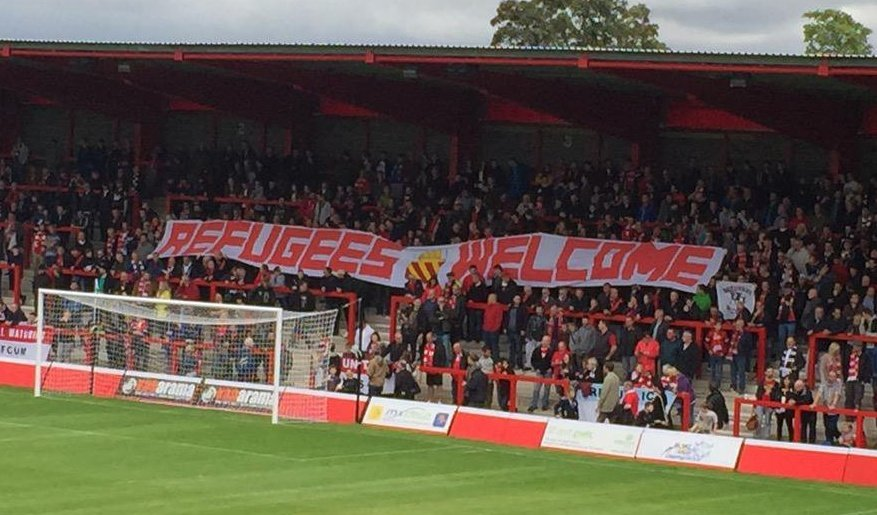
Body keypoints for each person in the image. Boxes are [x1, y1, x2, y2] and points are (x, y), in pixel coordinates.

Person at [814, 369, 843, 444]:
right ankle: (829, 441)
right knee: (826, 426)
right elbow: (819, 394)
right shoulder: (824, 383)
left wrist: (833, 405)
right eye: (830, 376)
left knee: (832, 426)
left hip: (835, 410)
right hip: (826, 408)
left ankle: (835, 438)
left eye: (833, 376)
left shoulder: (838, 383)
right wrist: (814, 403)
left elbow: (837, 394)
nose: (832, 378)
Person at [842, 342, 872, 412]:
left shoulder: (865, 357)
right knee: (848, 398)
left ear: (860, 347)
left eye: (857, 346)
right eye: (854, 346)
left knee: (857, 399)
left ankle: (856, 417)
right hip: (849, 379)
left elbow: (868, 368)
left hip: (859, 380)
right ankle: (848, 416)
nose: (855, 348)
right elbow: (845, 366)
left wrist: (864, 380)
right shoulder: (849, 355)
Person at [418, 332, 446, 403]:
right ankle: (430, 399)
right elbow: (422, 354)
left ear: (433, 338)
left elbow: (443, 357)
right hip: (428, 368)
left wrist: (441, 367)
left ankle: (439, 400)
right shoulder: (426, 345)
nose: (428, 340)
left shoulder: (440, 346)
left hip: (437, 367)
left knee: (439, 385)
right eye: (427, 338)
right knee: (430, 384)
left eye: (429, 338)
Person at [528, 336, 553, 412]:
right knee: (536, 389)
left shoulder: (552, 351)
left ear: (549, 342)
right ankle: (533, 404)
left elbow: (553, 360)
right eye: (543, 341)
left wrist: (551, 369)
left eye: (547, 341)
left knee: (547, 389)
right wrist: (536, 368)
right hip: (539, 372)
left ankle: (545, 404)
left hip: (548, 372)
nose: (545, 342)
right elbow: (533, 360)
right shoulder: (537, 350)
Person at [728, 318, 753, 394]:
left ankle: (741, 388)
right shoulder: (733, 333)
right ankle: (734, 386)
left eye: (739, 325)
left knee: (741, 372)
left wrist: (742, 350)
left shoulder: (746, 334)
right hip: (732, 354)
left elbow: (749, 345)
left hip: (741, 355)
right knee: (733, 372)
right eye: (737, 324)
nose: (737, 326)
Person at [754, 368, 779, 439]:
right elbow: (757, 393)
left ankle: (766, 436)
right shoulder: (761, 382)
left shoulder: (776, 384)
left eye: (771, 371)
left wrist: (771, 392)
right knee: (759, 419)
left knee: (768, 421)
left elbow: (777, 395)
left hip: (770, 404)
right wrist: (764, 393)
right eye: (768, 371)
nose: (769, 373)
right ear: (765, 373)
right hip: (761, 403)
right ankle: (757, 434)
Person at [505, 295, 528, 369]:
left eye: (519, 299)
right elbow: (507, 318)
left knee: (519, 349)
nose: (518, 300)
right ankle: (511, 363)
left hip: (518, 331)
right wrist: (505, 327)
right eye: (516, 299)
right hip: (510, 330)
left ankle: (519, 364)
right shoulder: (510, 308)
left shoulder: (523, 309)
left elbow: (525, 320)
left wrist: (523, 329)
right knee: (511, 348)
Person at [792, 379, 817, 444]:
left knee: (812, 427)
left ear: (802, 386)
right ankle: (803, 442)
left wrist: (796, 402)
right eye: (796, 386)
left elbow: (806, 401)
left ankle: (812, 442)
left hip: (811, 413)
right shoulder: (796, 392)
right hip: (803, 413)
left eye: (799, 386)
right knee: (803, 427)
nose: (797, 388)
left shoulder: (808, 392)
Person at [482, 293, 504, 359]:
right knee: (487, 346)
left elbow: (499, 319)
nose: (488, 299)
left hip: (493, 330)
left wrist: (495, 328)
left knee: (494, 346)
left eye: (489, 298)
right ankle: (487, 360)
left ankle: (495, 360)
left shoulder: (498, 307)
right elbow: (485, 317)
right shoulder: (487, 306)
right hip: (486, 329)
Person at [705, 321, 727, 388]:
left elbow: (726, 344)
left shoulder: (724, 333)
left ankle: (718, 385)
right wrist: (709, 350)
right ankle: (711, 384)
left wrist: (724, 352)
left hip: (720, 354)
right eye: (717, 325)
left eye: (720, 325)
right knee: (712, 369)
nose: (718, 327)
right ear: (714, 326)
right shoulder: (710, 333)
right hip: (712, 353)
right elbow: (706, 342)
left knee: (719, 370)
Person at [775, 375, 795, 441]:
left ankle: (791, 439)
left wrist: (787, 392)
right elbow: (776, 397)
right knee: (779, 425)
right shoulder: (779, 389)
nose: (786, 381)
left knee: (789, 425)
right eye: (785, 380)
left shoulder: (792, 390)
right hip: (779, 410)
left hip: (788, 411)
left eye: (788, 380)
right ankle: (778, 438)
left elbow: (792, 398)